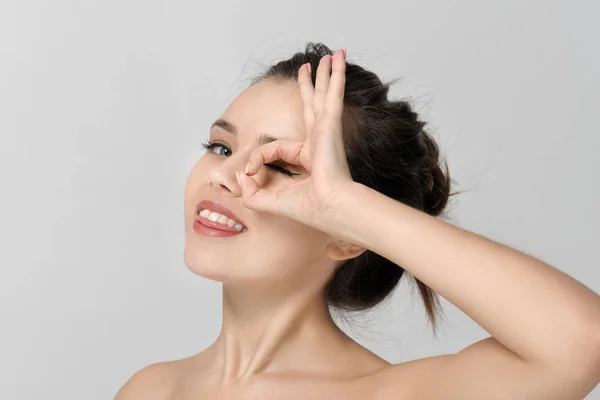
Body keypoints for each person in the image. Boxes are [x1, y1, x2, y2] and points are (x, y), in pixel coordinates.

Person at [115, 42, 600, 399]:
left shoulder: (388, 394)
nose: (224, 176)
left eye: (282, 166)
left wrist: (345, 205)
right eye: (221, 146)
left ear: (348, 238)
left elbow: (582, 343)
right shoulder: (151, 390)